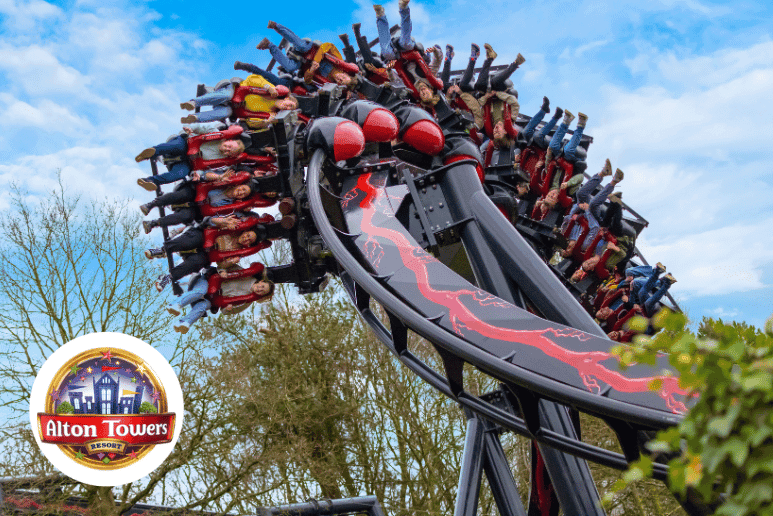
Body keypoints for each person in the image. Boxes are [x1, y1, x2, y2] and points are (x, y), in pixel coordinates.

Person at [135, 122, 246, 190]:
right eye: (229, 146)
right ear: (229, 140)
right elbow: (199, 127)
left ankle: (149, 181)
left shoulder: (219, 161)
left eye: (229, 152)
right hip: (186, 144)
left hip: (188, 163)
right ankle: (150, 153)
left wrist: (197, 174)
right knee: (176, 146)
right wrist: (190, 129)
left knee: (179, 174)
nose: (226, 149)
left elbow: (204, 170)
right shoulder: (215, 133)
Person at [167, 265, 274, 334]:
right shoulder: (245, 274)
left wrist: (228, 309)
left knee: (203, 306)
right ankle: (175, 304)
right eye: (263, 286)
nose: (260, 289)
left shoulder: (246, 302)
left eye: (263, 291)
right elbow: (222, 266)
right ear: (261, 282)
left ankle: (184, 323)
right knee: (200, 291)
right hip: (207, 281)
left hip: (214, 299)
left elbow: (224, 312)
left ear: (261, 295)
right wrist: (222, 271)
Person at [179, 75, 298, 124]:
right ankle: (193, 102)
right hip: (234, 91)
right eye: (290, 105)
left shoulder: (270, 113)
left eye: (289, 110)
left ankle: (194, 118)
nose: (287, 108)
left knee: (225, 112)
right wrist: (269, 87)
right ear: (287, 98)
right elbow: (253, 78)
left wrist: (264, 122)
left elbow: (250, 120)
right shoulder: (273, 92)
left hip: (232, 108)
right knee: (227, 96)